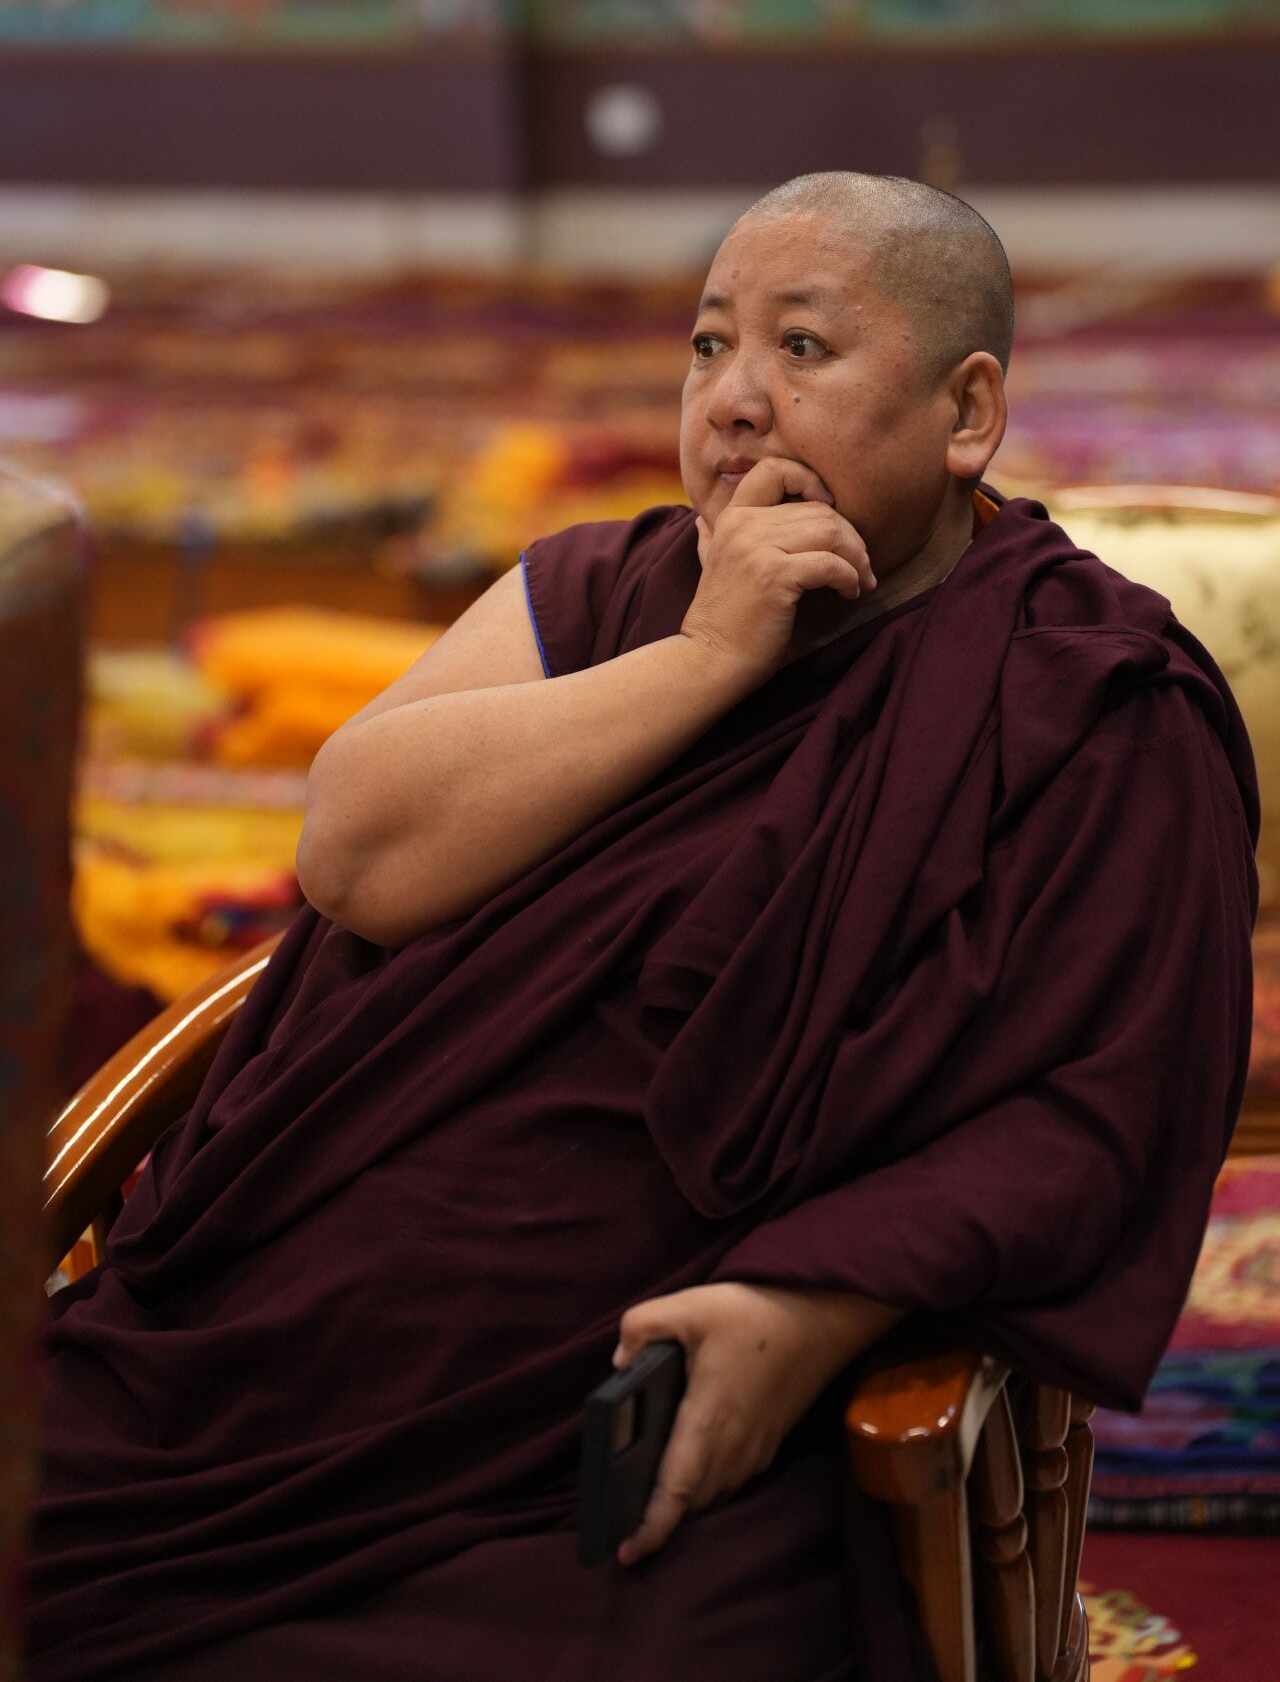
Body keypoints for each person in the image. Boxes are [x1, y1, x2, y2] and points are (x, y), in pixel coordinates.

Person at [25, 173, 1259, 1682]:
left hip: (637, 1403)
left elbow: (1097, 1112)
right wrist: (705, 656)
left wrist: (809, 1309)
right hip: (273, 1344)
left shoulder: (1090, 697)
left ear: (967, 413)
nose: (733, 399)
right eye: (707, 345)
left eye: (801, 348)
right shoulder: (607, 590)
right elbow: (355, 854)